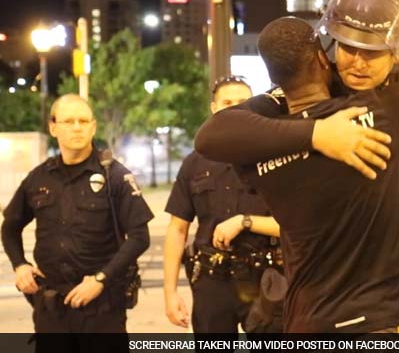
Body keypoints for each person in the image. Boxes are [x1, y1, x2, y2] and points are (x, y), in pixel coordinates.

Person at [195, 0, 399, 332]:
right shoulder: (306, 96)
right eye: (347, 47)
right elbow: (216, 132)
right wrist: (318, 133)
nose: (358, 62)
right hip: (360, 303)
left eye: (372, 50)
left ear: (396, 49)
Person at [1, 94, 152, 350]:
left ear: (94, 126)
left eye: (83, 120)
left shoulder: (115, 176)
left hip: (101, 306)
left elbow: (140, 237)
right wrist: (20, 265)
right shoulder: (39, 178)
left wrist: (100, 279)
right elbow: (10, 227)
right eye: (68, 121)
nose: (77, 127)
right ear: (53, 127)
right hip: (51, 308)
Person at [163, 77, 281, 337]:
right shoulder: (195, 162)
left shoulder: (276, 155)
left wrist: (244, 221)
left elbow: (294, 226)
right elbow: (177, 230)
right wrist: (170, 292)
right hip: (211, 283)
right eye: (228, 103)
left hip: (265, 280)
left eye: (243, 102)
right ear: (214, 108)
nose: (236, 108)